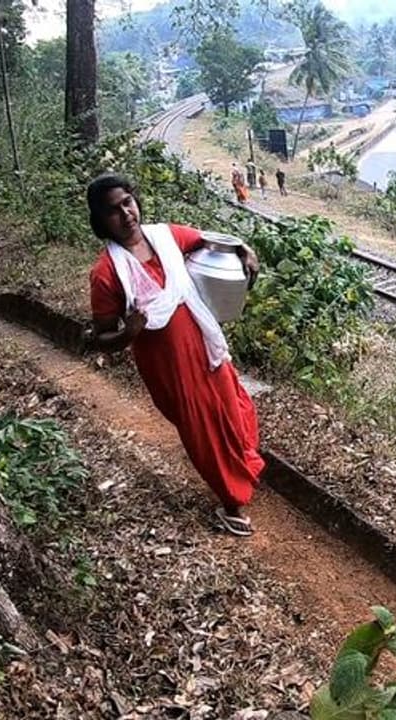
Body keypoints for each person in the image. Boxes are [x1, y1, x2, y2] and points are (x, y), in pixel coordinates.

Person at [84, 174, 264, 536]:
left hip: (204, 345)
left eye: (128, 202)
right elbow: (100, 337)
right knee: (203, 428)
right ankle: (231, 502)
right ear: (100, 221)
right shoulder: (106, 273)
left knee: (233, 408)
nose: (126, 214)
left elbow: (211, 241)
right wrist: (128, 332)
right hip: (169, 365)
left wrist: (243, 249)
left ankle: (241, 468)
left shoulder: (166, 236)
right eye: (113, 211)